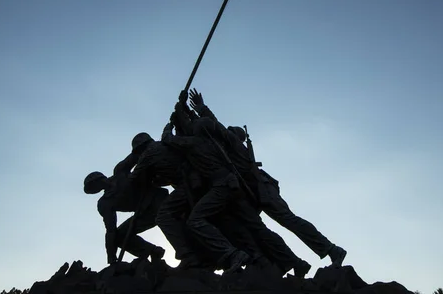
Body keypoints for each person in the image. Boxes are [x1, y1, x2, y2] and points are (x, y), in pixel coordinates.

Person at [188, 88, 348, 267]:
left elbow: (215, 126)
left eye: (231, 130)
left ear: (236, 136)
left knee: (288, 219)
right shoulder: (230, 147)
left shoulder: (233, 143)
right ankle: (292, 260)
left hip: (263, 188)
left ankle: (332, 250)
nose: (228, 131)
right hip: (254, 191)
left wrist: (201, 109)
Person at [83, 132, 168, 265]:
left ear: (99, 178)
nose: (94, 188)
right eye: (92, 188)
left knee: (169, 219)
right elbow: (111, 231)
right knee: (120, 236)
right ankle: (152, 251)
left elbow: (138, 154)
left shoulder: (120, 171)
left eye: (93, 185)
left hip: (157, 199)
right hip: (144, 213)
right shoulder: (105, 203)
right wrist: (111, 256)